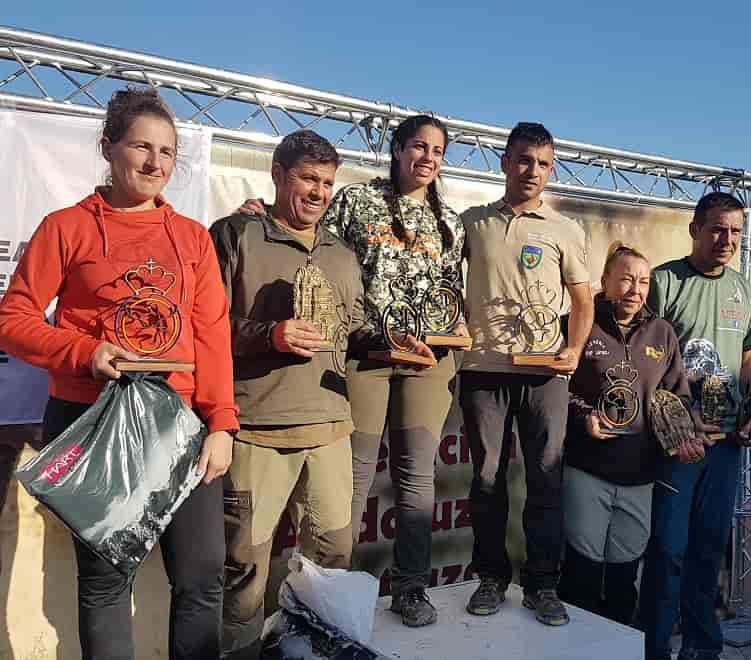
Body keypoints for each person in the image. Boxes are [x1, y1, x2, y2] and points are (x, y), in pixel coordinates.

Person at [0, 86, 238, 660]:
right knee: (107, 582)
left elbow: (212, 336)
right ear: (109, 149)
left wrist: (222, 423)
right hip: (93, 420)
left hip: (179, 423)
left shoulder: (192, 238)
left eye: (168, 152)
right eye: (141, 147)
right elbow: (13, 319)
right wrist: (85, 353)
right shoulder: (67, 227)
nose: (156, 163)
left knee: (202, 577)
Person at [237, 115, 466, 628]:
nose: (426, 157)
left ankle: (410, 589)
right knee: (352, 481)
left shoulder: (451, 220)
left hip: (425, 361)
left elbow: (452, 298)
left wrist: (451, 337)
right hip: (364, 356)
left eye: (437, 150)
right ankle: (324, 599)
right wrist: (257, 211)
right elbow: (308, 239)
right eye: (417, 146)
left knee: (416, 478)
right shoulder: (356, 200)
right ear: (397, 149)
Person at [211, 130, 389, 658]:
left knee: (333, 558)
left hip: (331, 428)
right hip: (255, 431)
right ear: (277, 174)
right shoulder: (235, 234)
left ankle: (311, 650)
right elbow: (204, 327)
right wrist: (270, 335)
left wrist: (388, 346)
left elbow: (351, 329)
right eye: (309, 179)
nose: (319, 192)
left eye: (329, 183)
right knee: (244, 566)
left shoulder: (341, 252)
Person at [459, 121, 593, 626]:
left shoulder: (565, 229)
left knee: (545, 479)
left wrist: (575, 350)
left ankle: (542, 585)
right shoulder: (472, 222)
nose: (531, 170)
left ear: (551, 167)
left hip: (545, 375)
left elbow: (582, 301)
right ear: (504, 161)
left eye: (541, 162)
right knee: (488, 476)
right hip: (484, 369)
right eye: (522, 159)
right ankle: (491, 577)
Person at [638, 192, 751, 660]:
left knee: (709, 552)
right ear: (694, 229)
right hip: (676, 449)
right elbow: (644, 362)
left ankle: (702, 648)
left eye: (734, 231)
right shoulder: (663, 282)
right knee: (668, 552)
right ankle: (653, 649)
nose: (726, 240)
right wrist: (676, 429)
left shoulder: (743, 288)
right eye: (716, 228)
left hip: (726, 447)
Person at [557, 241, 697, 626]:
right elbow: (555, 386)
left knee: (622, 578)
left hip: (640, 477)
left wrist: (683, 433)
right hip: (588, 470)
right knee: (581, 573)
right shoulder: (582, 321)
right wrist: (584, 415)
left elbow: (676, 396)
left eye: (644, 282)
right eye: (626, 280)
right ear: (604, 281)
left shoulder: (661, 332)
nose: (635, 290)